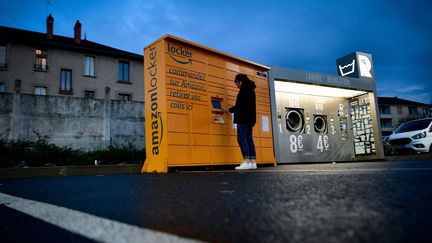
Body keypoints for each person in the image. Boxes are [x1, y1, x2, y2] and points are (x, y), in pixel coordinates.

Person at [228, 73, 257, 170]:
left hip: (243, 119)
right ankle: (252, 162)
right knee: (249, 139)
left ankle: (246, 161)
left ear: (239, 81)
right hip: (250, 120)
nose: (237, 86)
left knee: (242, 139)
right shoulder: (251, 90)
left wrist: (229, 110)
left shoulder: (243, 90)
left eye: (236, 83)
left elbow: (240, 106)